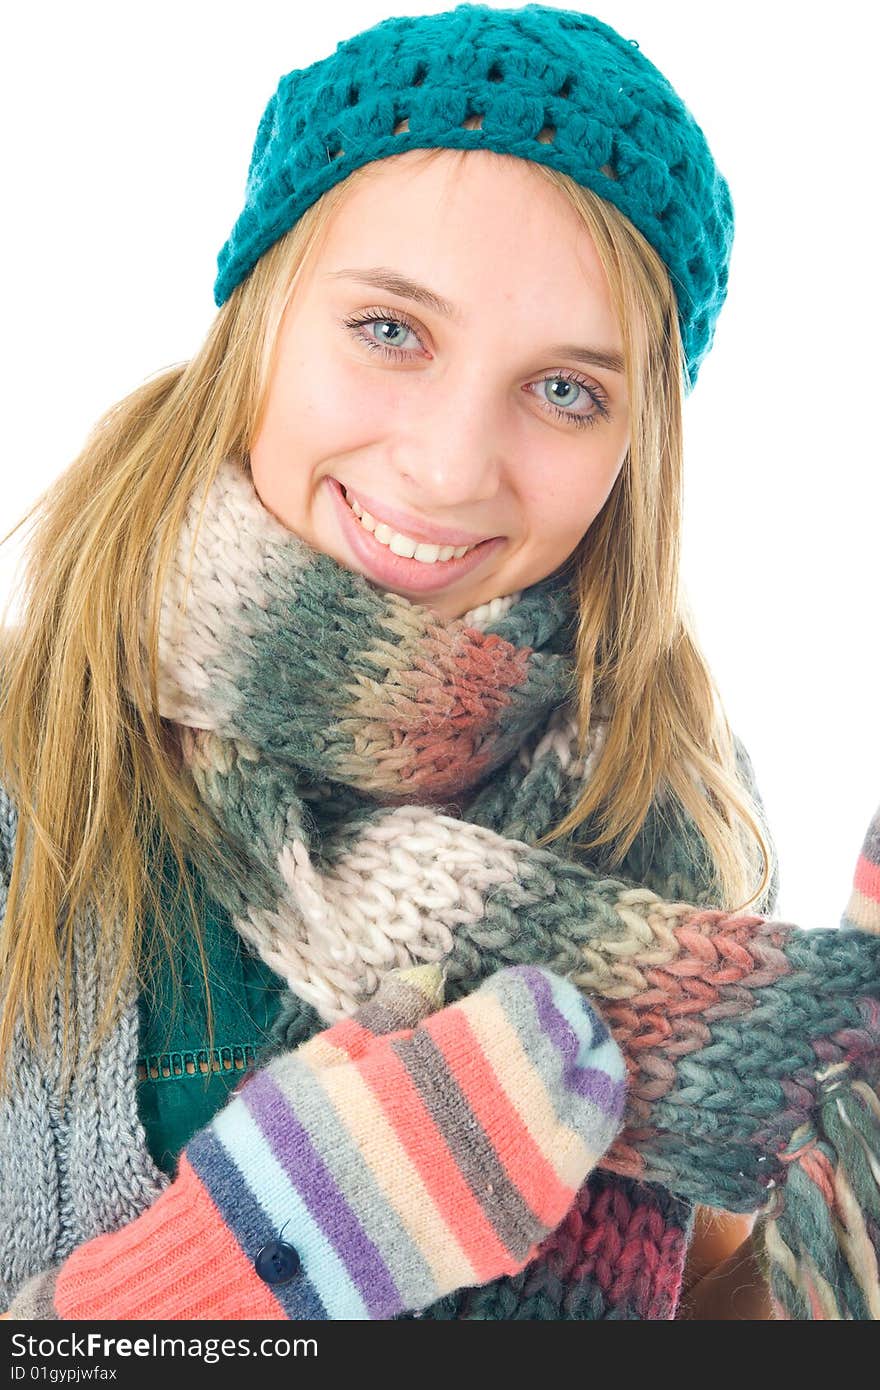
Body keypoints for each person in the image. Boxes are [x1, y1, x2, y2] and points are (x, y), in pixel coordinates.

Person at [1, 4, 877, 1322]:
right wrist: (238, 1273)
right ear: (263, 319)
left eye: (566, 389)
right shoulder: (32, 768)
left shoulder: (665, 805)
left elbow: (709, 1307)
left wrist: (850, 1213)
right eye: (392, 331)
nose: (451, 464)